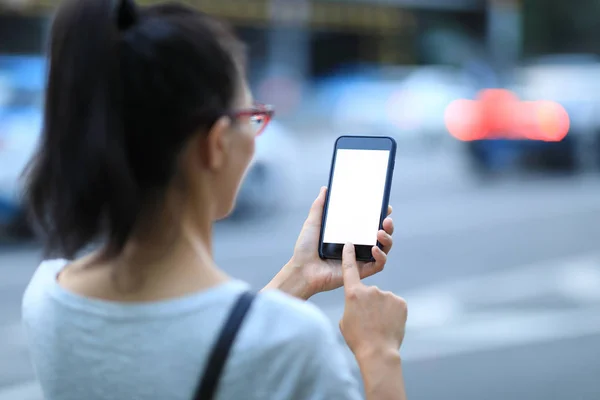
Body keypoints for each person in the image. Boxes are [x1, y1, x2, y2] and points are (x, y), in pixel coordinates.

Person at [20, 0, 409, 399]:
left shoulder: (47, 297)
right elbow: (222, 346)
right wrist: (380, 353)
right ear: (217, 143)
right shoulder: (295, 344)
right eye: (252, 118)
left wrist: (299, 275)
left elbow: (186, 349)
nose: (256, 138)